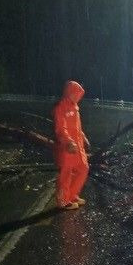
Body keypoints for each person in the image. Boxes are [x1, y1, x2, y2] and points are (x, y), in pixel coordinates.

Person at [53, 80, 90, 210]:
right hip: (68, 148)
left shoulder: (75, 107)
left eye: (79, 94)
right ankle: (63, 200)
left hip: (78, 146)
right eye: (76, 93)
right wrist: (69, 141)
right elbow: (61, 129)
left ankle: (72, 195)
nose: (78, 96)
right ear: (70, 93)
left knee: (83, 169)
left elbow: (77, 127)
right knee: (66, 174)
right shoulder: (61, 108)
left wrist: (83, 137)